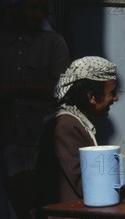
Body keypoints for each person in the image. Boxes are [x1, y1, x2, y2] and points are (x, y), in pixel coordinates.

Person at [0, 0, 70, 219]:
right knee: (8, 209)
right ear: (13, 10)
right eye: (30, 8)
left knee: (41, 203)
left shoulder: (54, 43)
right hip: (6, 138)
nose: (37, 14)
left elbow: (61, 86)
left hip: (40, 139)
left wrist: (15, 88)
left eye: (40, 8)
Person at [36, 56, 119, 204]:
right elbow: (88, 184)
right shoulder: (65, 126)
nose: (116, 98)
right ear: (91, 97)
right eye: (111, 93)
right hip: (67, 218)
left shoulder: (77, 122)